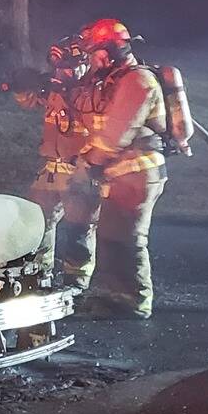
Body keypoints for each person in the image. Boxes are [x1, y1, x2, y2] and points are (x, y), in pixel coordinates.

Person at [57, 17, 168, 319]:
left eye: (94, 52)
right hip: (120, 174)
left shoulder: (137, 81)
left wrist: (90, 162)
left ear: (107, 51)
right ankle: (115, 295)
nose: (92, 60)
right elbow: (86, 111)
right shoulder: (114, 81)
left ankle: (135, 302)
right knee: (110, 234)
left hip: (139, 172)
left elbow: (116, 134)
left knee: (127, 238)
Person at [0, 38, 90, 239]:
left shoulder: (93, 92)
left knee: (79, 233)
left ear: (84, 64)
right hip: (50, 170)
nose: (60, 74)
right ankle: (40, 269)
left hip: (79, 173)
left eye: (67, 68)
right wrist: (22, 84)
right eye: (57, 68)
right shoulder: (53, 89)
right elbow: (27, 101)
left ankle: (78, 272)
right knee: (36, 223)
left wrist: (66, 91)